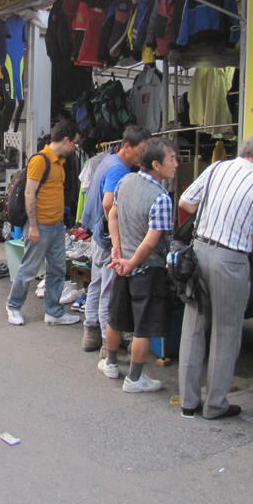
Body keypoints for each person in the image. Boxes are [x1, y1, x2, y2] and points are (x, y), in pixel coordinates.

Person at [177, 128, 253, 419]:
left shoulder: (217, 169)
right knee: (226, 332)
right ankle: (215, 404)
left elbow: (185, 201)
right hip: (230, 261)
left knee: (194, 325)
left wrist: (211, 219)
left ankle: (188, 402)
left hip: (198, 253)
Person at [99, 137, 178, 392]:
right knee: (143, 327)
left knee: (116, 318)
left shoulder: (126, 181)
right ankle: (134, 378)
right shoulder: (161, 197)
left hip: (122, 265)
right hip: (145, 269)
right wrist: (131, 261)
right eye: (172, 159)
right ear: (156, 164)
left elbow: (113, 213)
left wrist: (117, 248)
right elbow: (151, 242)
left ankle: (110, 364)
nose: (176, 164)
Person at [80, 125, 150, 353]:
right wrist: (118, 237)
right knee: (109, 291)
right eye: (141, 149)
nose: (144, 155)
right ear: (127, 147)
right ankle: (106, 341)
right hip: (107, 237)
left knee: (97, 284)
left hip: (98, 234)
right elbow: (108, 203)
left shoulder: (107, 161)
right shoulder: (118, 169)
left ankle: (91, 333)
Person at [5, 120, 82, 327]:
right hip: (40, 226)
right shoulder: (40, 160)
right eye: (74, 142)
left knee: (57, 269)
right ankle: (13, 306)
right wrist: (34, 227)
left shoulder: (61, 161)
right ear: (65, 140)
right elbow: (30, 194)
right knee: (29, 269)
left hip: (56, 226)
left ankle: (54, 312)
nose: (75, 147)